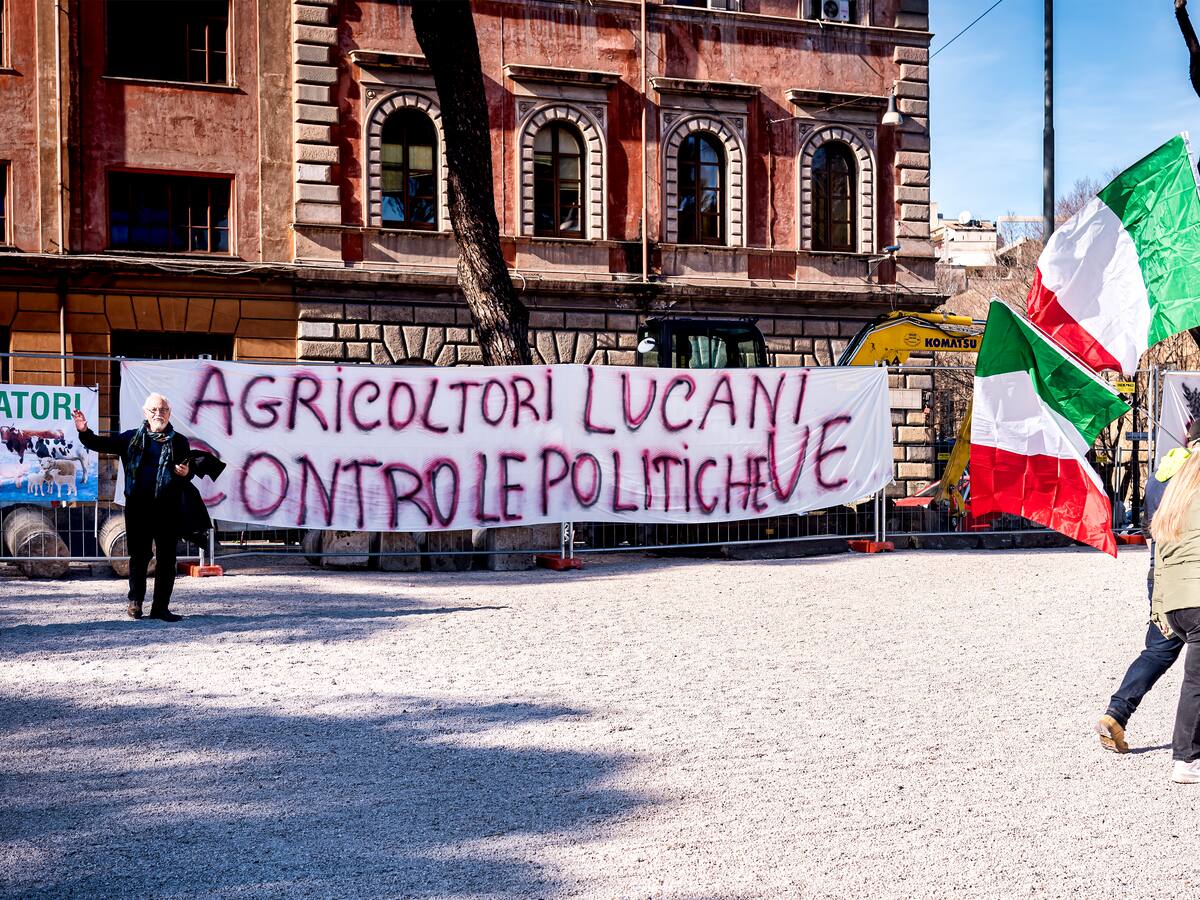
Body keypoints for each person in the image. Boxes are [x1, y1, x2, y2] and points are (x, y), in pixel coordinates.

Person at [1094, 428, 1192, 753]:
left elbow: (1152, 534)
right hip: (1193, 575)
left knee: (1158, 651)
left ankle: (1116, 714)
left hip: (1162, 573)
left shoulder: (1160, 475)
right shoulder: (1194, 475)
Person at [73, 394, 191, 622]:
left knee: (167, 559)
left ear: (169, 413)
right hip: (138, 508)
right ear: (146, 413)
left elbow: (187, 470)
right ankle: (135, 602)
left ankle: (160, 608)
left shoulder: (180, 442)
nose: (159, 414)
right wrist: (84, 431)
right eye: (154, 410)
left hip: (168, 509)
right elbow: (100, 444)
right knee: (139, 556)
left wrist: (187, 472)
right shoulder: (131, 439)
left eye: (163, 410)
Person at [1147, 431, 1200, 783]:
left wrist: (1159, 608)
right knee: (1196, 681)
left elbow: (1160, 554)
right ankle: (1187, 759)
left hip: (1177, 604)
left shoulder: (1178, 488)